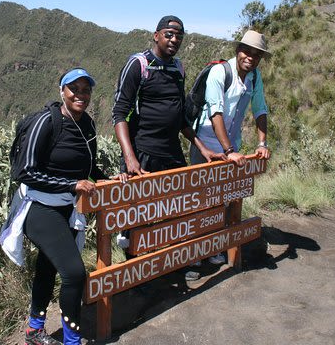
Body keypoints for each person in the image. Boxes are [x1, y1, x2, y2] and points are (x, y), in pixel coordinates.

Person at [0, 68, 120, 345]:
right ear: (62, 91)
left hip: (66, 207)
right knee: (75, 273)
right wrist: (71, 185)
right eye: (74, 89)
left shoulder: (86, 124)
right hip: (38, 206)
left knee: (48, 265)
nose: (80, 94)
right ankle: (72, 341)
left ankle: (34, 328)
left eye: (85, 90)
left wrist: (104, 178)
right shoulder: (45, 122)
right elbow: (24, 172)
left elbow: (86, 165)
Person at [111, 15, 222, 254]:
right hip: (142, 152)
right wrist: (130, 157)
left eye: (179, 36)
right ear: (156, 35)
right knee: (136, 218)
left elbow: (180, 115)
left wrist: (202, 148)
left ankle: (168, 263)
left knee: (175, 211)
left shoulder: (177, 67)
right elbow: (119, 113)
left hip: (170, 152)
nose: (174, 40)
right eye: (169, 34)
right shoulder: (138, 65)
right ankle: (135, 275)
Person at [186, 30, 272, 279]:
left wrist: (262, 143)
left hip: (230, 144)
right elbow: (216, 113)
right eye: (247, 51)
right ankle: (193, 258)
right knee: (200, 200)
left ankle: (213, 247)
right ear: (238, 49)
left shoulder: (254, 77)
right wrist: (229, 152)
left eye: (257, 55)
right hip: (206, 145)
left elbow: (260, 109)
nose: (251, 57)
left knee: (221, 198)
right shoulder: (219, 72)